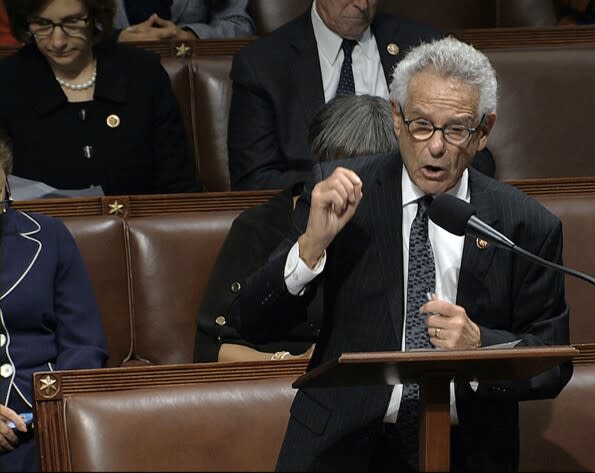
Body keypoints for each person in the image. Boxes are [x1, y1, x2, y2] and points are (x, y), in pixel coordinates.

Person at [234, 37, 573, 472]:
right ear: (396, 118)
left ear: (484, 132)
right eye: (421, 125)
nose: (435, 146)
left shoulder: (523, 225)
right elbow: (254, 321)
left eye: (455, 130)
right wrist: (311, 246)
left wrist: (480, 347)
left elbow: (552, 363)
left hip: (468, 451)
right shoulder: (342, 194)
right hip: (341, 446)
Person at [194, 94, 398, 363]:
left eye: (374, 173)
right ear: (320, 164)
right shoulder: (260, 226)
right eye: (345, 168)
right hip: (276, 384)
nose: (355, 186)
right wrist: (291, 361)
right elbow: (212, 349)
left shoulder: (403, 222)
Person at [226, 0, 495, 194]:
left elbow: (479, 158)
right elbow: (254, 180)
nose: (363, 4)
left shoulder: (426, 47)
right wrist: (342, 184)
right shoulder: (263, 64)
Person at [0, 0, 202, 196]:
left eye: (72, 22)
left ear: (95, 15)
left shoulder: (142, 73)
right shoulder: (8, 81)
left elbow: (179, 184)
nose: (58, 41)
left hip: (144, 226)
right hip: (37, 228)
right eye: (43, 24)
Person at [0, 129, 109, 472]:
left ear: (6, 180)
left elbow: (84, 344)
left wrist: (48, 410)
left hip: (43, 421)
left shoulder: (49, 237)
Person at [114, 0, 255, 42]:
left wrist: (191, 36)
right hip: (112, 74)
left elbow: (240, 26)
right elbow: (94, 29)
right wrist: (116, 39)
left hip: (189, 79)